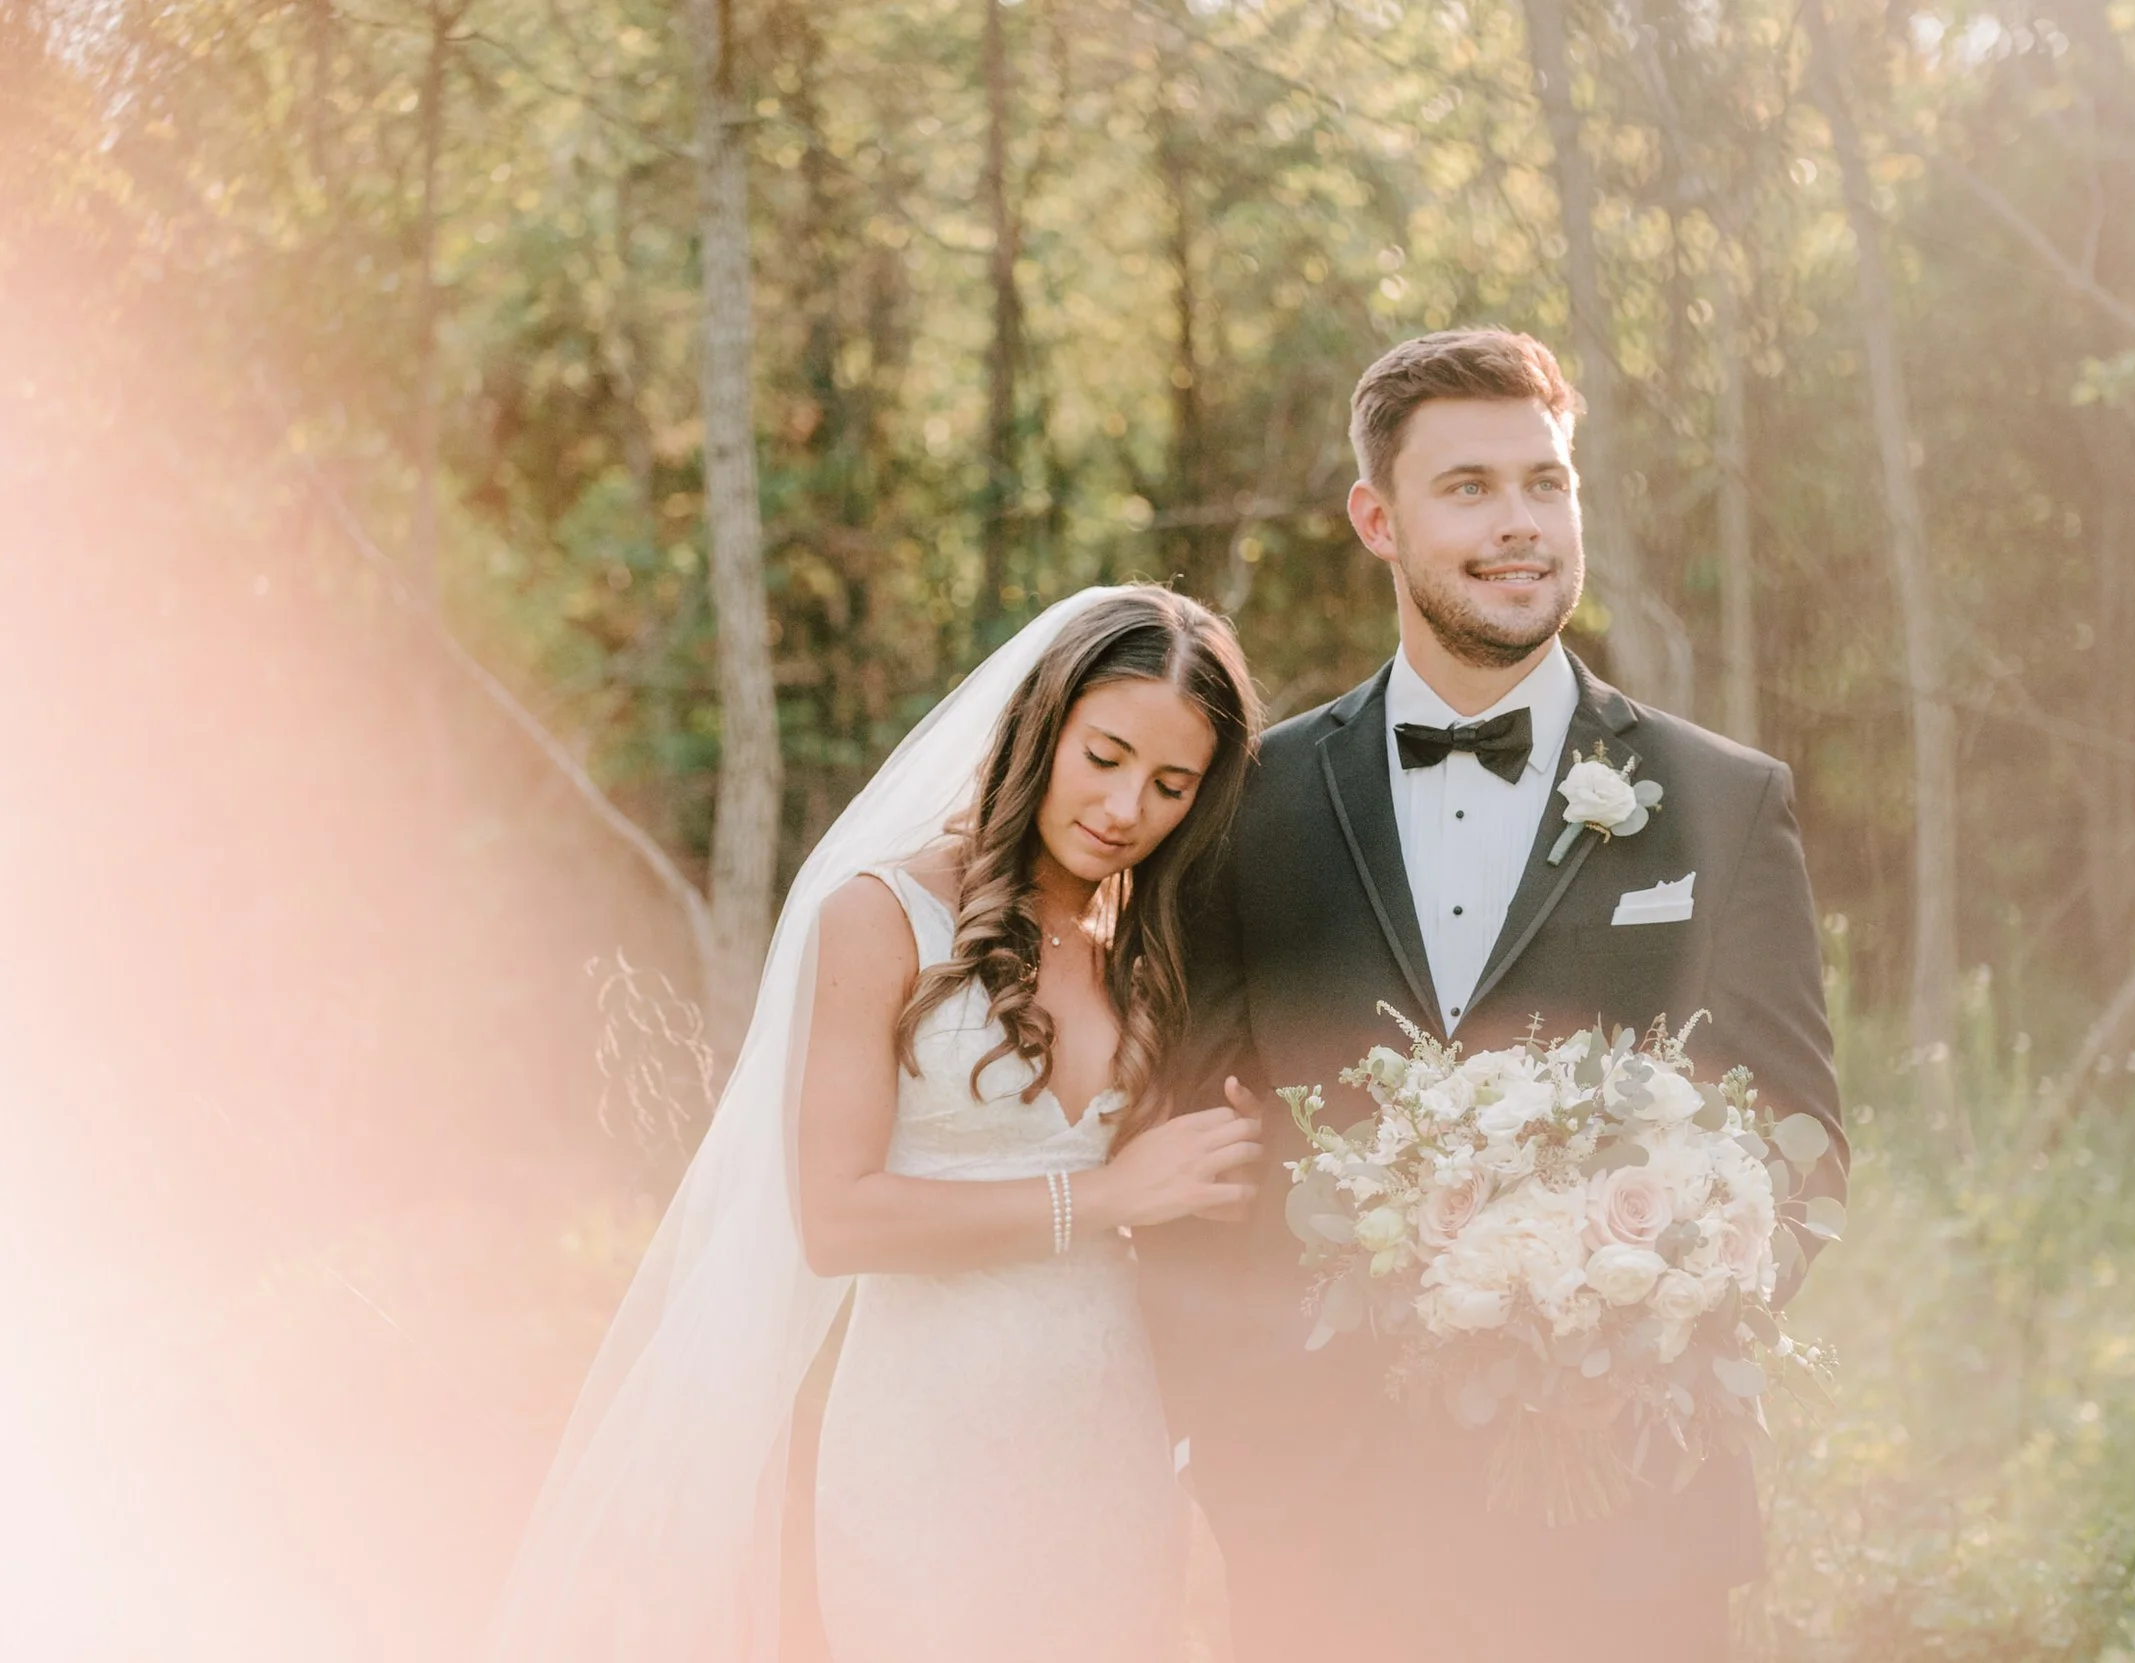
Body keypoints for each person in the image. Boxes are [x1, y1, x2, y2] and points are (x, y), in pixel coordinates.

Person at [1142, 330, 1844, 1663]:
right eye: (1468, 487)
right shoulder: (1250, 804)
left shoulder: (1724, 799)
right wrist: (1232, 1447)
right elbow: (1192, 1151)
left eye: (1546, 482)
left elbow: (1802, 1140)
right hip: (1322, 1524)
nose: (1519, 523)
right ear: (1378, 517)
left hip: (1631, 1514)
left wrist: (1659, 1320)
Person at [484, 585, 1265, 1663]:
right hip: (927, 1434)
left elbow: (1170, 1178)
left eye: (1170, 784)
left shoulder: (1150, 943)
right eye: (1105, 756)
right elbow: (836, 1219)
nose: (1127, 805)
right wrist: (1104, 1198)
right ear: (1044, 729)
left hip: (1108, 1426)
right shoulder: (881, 915)